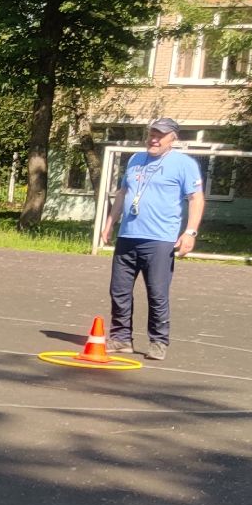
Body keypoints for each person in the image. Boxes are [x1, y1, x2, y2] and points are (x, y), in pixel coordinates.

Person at [99, 118, 205, 361]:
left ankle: (158, 341)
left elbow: (196, 199)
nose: (154, 139)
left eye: (161, 135)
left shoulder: (183, 164)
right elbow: (123, 192)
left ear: (173, 138)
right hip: (128, 235)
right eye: (152, 134)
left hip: (159, 239)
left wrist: (190, 232)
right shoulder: (136, 160)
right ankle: (121, 338)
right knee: (119, 290)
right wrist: (109, 222)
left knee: (157, 293)